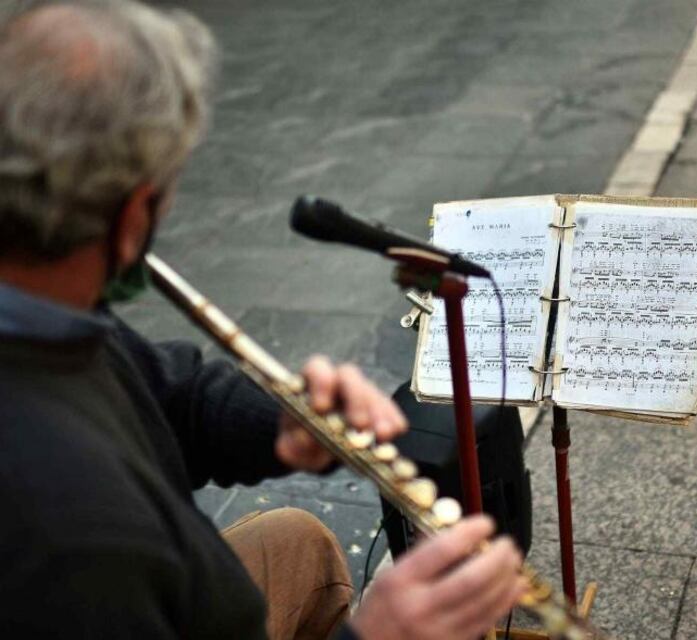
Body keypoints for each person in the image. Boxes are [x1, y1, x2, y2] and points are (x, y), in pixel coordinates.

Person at [0, 1, 526, 638]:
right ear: (134, 213)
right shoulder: (77, 538)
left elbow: (164, 396)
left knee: (297, 541)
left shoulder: (43, 311)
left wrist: (281, 422)